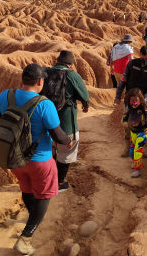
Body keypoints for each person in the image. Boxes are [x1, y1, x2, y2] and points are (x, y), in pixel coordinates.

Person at [0, 63, 72, 255]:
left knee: (27, 189)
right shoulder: (44, 104)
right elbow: (58, 136)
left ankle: (32, 217)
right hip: (40, 161)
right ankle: (26, 236)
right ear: (40, 81)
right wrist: (68, 142)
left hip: (14, 160)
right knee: (44, 196)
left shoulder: (6, 96)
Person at [46, 50, 89, 192]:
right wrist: (85, 104)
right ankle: (58, 183)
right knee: (66, 152)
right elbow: (84, 94)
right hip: (66, 122)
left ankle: (47, 178)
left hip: (45, 121)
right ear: (70, 64)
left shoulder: (46, 73)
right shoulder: (72, 75)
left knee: (49, 150)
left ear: (57, 61)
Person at [114, 45, 147, 156]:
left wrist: (145, 101)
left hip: (144, 101)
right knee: (128, 123)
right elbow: (123, 80)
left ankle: (141, 148)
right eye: (142, 58)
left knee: (144, 124)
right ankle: (127, 147)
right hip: (130, 100)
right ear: (139, 55)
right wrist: (118, 95)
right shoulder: (132, 64)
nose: (144, 61)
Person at [122, 88, 147, 177]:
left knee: (137, 151)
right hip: (133, 133)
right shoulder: (129, 107)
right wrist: (125, 121)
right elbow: (125, 115)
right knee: (131, 152)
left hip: (142, 133)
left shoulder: (144, 107)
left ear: (140, 99)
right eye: (132, 100)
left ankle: (137, 169)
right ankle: (135, 162)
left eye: (136, 100)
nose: (133, 102)